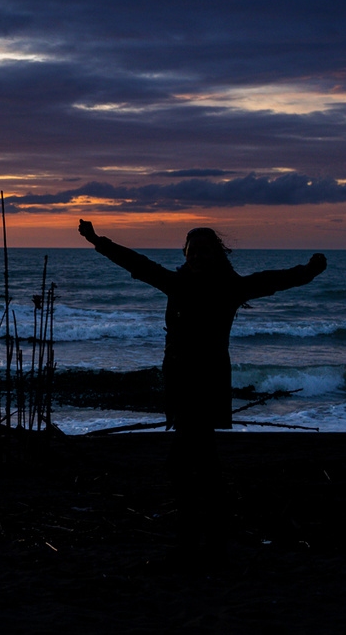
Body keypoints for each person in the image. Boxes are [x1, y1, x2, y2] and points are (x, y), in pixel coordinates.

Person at [77, 220, 326, 567]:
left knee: (186, 466)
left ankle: (199, 545)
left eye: (204, 251)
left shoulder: (229, 288)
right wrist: (96, 240)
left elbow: (271, 280)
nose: (197, 256)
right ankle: (207, 544)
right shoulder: (176, 283)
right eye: (192, 251)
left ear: (216, 254)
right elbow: (136, 262)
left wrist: (309, 271)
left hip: (205, 385)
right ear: (185, 254)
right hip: (180, 384)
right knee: (199, 466)